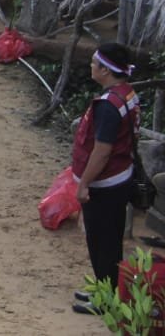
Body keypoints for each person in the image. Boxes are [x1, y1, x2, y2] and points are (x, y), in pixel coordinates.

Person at [69, 43, 140, 315]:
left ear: (105, 71)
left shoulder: (109, 106)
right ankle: (104, 289)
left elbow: (101, 152)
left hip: (106, 183)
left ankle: (106, 299)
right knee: (108, 240)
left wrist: (84, 182)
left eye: (94, 63)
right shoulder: (127, 94)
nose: (91, 66)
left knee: (102, 243)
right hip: (120, 177)